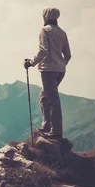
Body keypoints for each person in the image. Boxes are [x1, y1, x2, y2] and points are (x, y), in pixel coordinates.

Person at [24, 7, 72, 140]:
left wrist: (31, 63)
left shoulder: (44, 30)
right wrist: (61, 64)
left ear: (45, 16)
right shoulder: (62, 33)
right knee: (44, 97)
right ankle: (47, 125)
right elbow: (68, 54)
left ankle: (56, 132)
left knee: (53, 100)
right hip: (60, 70)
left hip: (48, 70)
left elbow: (43, 51)